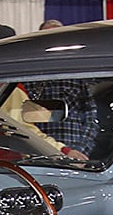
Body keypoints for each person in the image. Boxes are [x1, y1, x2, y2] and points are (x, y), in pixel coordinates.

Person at [0, 23, 89, 161]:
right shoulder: (13, 87)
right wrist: (63, 151)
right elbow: (23, 130)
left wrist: (80, 148)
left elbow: (90, 115)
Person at [24, 19, 100, 157]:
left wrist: (81, 150)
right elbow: (23, 120)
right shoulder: (27, 78)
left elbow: (90, 116)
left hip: (74, 150)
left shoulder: (77, 76)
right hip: (39, 152)